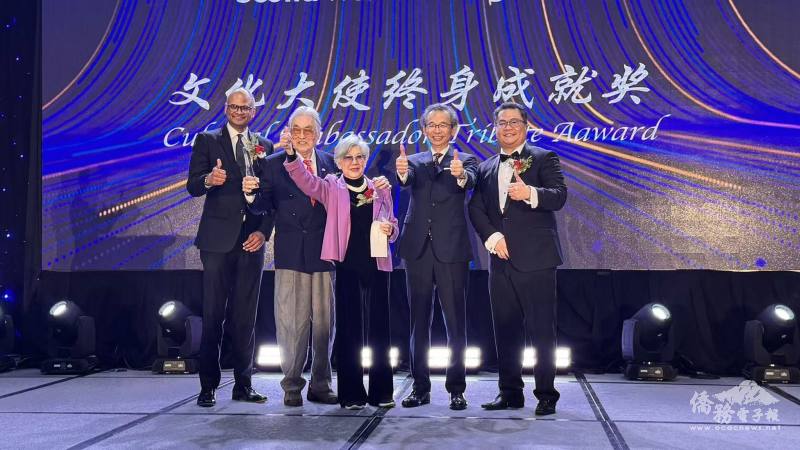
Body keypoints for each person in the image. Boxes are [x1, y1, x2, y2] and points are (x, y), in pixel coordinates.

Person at [284, 134, 398, 410]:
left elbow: (393, 223)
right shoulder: (331, 186)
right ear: (339, 162)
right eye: (349, 157)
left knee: (381, 329)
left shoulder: (379, 187)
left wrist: (390, 229)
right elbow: (305, 181)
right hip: (347, 265)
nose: (355, 162)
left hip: (378, 264)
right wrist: (291, 157)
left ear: (366, 160)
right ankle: (352, 394)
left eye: (360, 157)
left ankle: (382, 393)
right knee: (349, 330)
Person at [468, 102, 567, 416]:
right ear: (494, 128)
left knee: (542, 331)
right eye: (502, 122)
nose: (508, 127)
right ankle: (510, 392)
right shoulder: (485, 168)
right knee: (505, 329)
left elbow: (559, 196)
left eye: (514, 122)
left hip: (537, 260)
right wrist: (492, 237)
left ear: (526, 126)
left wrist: (531, 194)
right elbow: (475, 208)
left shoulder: (543, 158)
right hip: (500, 260)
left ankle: (546, 394)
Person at [246, 106, 338, 407]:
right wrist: (250, 194)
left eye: (308, 130)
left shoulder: (331, 162)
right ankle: (292, 385)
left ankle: (321, 384)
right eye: (296, 129)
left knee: (325, 324)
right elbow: (262, 206)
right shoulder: (273, 164)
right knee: (291, 324)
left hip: (324, 253)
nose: (301, 136)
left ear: (318, 134)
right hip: (290, 252)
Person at [186, 88, 273, 407]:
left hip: (251, 241)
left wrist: (263, 232)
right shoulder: (207, 141)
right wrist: (210, 179)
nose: (239, 111)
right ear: (226, 109)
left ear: (253, 111)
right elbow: (193, 185)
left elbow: (271, 197)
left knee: (245, 317)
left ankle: (243, 384)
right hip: (216, 242)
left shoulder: (265, 145)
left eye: (245, 107)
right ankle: (208, 386)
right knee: (213, 315)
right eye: (234, 107)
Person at [395, 103, 478, 410]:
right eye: (432, 125)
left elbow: (470, 180)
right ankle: (420, 387)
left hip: (452, 250)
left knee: (455, 322)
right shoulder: (413, 161)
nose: (437, 130)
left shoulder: (465, 160)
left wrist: (460, 176)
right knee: (418, 321)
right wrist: (401, 173)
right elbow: (405, 180)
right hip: (417, 250)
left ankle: (456, 388)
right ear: (424, 130)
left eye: (443, 125)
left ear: (453, 130)